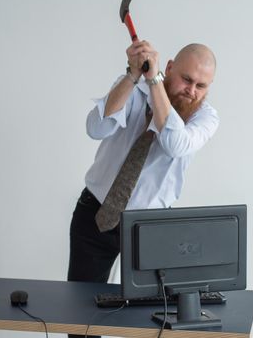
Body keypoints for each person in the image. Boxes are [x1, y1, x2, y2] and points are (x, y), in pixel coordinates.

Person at [67, 40, 219, 286]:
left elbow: (174, 143)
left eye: (201, 86)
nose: (191, 90)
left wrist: (154, 82)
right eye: (186, 79)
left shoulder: (205, 118)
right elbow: (95, 128)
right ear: (169, 67)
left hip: (149, 227)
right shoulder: (134, 89)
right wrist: (132, 76)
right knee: (81, 308)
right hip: (96, 212)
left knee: (144, 316)